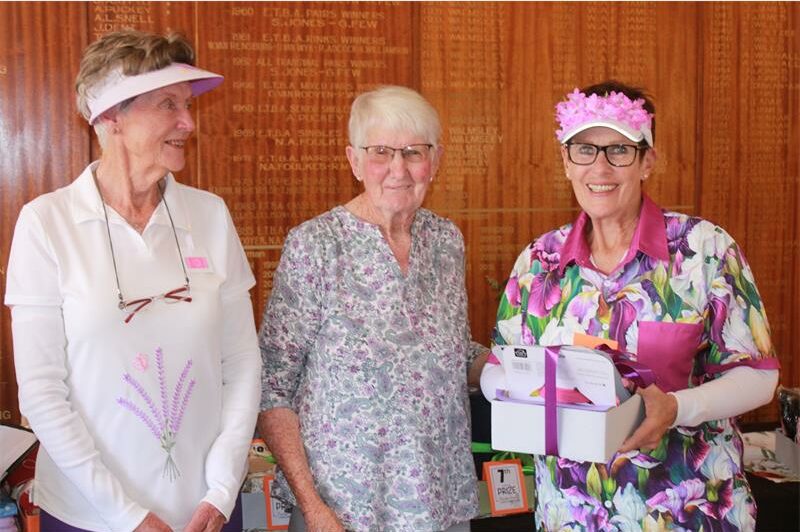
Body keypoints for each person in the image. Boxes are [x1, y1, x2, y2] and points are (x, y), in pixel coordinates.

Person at [483, 80, 780, 531]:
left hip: (688, 512)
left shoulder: (704, 249)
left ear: (647, 161)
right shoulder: (539, 261)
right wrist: (527, 394)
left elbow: (758, 377)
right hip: (571, 514)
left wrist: (677, 407)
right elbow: (496, 368)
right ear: (566, 161)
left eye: (619, 150)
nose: (600, 167)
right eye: (584, 149)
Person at [5, 30, 261, 531]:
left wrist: (222, 489)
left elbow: (241, 362)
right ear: (111, 117)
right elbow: (41, 391)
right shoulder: (46, 224)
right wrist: (128, 516)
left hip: (205, 513)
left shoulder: (210, 216)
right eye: (168, 105)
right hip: (89, 517)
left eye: (187, 105)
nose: (188, 122)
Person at [257, 85, 489, 532]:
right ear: (354, 160)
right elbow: (272, 387)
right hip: (343, 511)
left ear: (436, 160)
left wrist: (516, 368)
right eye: (381, 152)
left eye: (414, 152)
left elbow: (451, 353)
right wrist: (313, 507)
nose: (398, 169)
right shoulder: (316, 245)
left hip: (440, 504)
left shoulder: (445, 242)